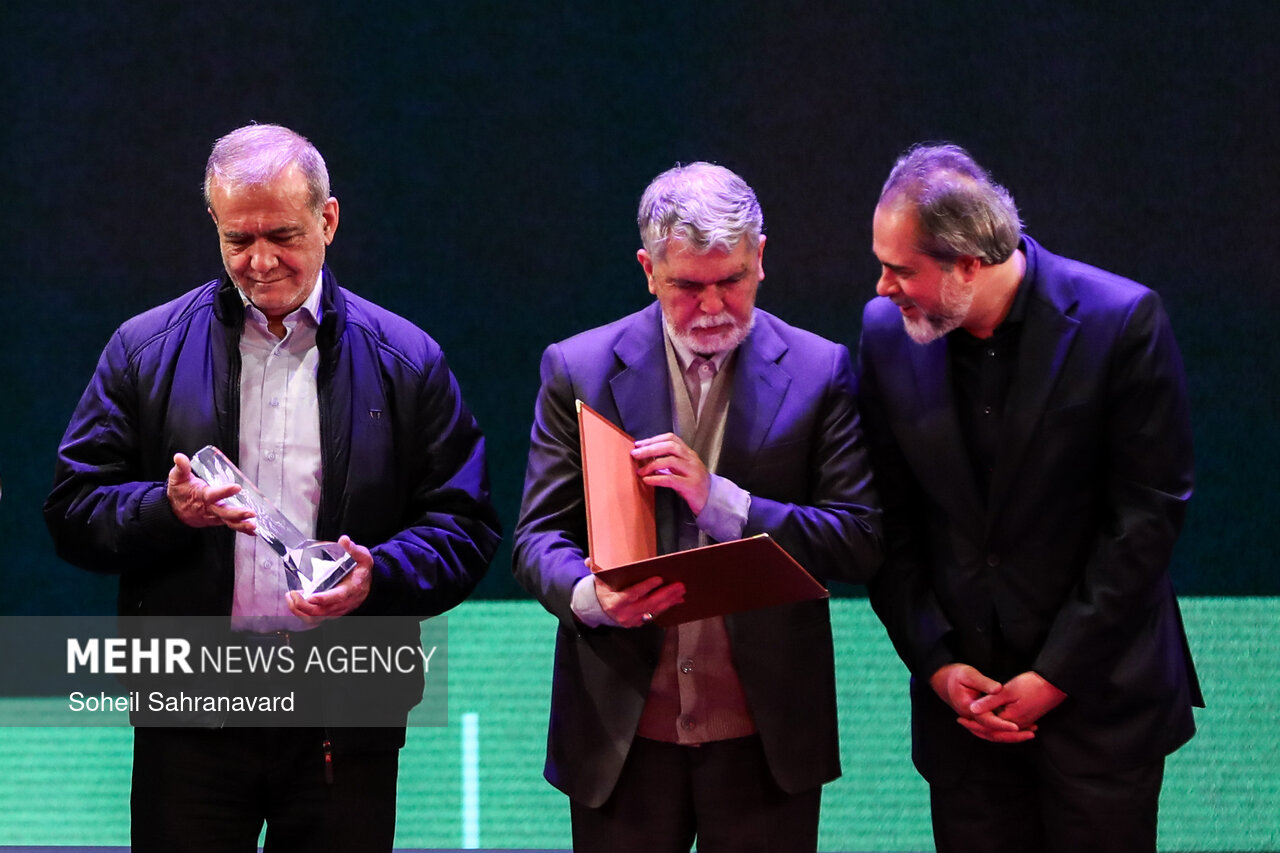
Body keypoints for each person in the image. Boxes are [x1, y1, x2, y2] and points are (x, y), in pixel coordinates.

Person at [44, 123, 501, 852]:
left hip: (343, 709)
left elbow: (465, 525)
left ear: (329, 219)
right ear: (215, 225)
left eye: (282, 235)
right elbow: (73, 509)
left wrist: (377, 577)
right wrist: (167, 509)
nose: (259, 262)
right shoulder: (142, 349)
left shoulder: (407, 360)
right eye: (238, 239)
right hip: (191, 711)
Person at [513, 161, 882, 852]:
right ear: (648, 270)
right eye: (687, 285)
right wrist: (592, 597)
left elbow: (858, 539)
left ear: (761, 258)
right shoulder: (578, 367)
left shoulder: (820, 370)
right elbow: (537, 538)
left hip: (766, 739)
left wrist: (725, 502)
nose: (712, 306)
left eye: (731, 280)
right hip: (622, 739)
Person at [856, 142, 1202, 853]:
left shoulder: (1121, 321)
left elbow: (1147, 515)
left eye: (902, 269)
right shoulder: (887, 335)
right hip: (965, 721)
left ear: (968, 263)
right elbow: (889, 520)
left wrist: (1053, 675)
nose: (883, 287)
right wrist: (937, 664)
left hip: (1101, 706)